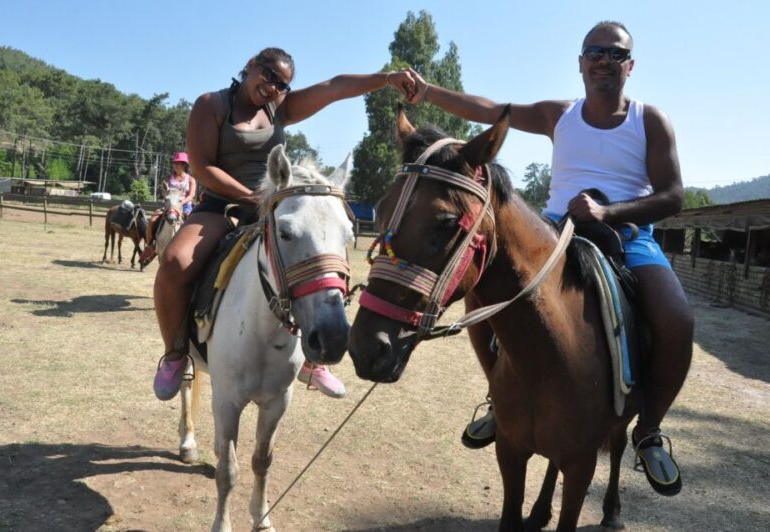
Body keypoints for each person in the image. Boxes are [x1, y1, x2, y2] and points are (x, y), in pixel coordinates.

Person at [402, 21, 693, 496]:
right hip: (556, 233)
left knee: (677, 319)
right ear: (580, 63)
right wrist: (428, 92)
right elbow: (492, 110)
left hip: (628, 235)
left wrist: (608, 212)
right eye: (595, 52)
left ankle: (648, 429)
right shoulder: (560, 115)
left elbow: (673, 195)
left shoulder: (650, 120)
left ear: (630, 65)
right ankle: (500, 400)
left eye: (616, 53)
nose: (604, 60)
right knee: (480, 297)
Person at [153, 47, 416, 402]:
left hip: (274, 209)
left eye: (282, 84)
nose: (273, 87)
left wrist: (386, 79)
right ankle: (175, 354)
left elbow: (334, 87)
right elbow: (202, 167)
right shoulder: (211, 104)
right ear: (250, 65)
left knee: (315, 261)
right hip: (221, 207)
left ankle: (313, 358)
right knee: (174, 262)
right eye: (269, 76)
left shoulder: (281, 108)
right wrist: (251, 196)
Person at [141, 151, 197, 264]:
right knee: (152, 220)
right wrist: (168, 197)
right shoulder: (168, 178)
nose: (175, 165)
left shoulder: (191, 180)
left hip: (184, 207)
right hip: (169, 205)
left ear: (184, 165)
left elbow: (191, 195)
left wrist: (180, 203)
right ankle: (151, 245)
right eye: (174, 163)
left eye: (178, 163)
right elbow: (163, 192)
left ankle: (194, 248)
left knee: (193, 225)